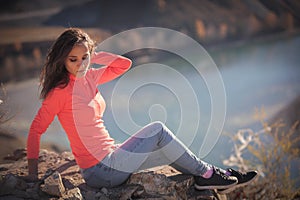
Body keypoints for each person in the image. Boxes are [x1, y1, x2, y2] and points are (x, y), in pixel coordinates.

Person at [26, 28, 257, 193]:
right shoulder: (60, 92)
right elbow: (35, 131)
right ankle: (209, 175)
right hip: (101, 171)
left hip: (111, 157)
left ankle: (210, 175)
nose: (81, 64)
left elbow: (124, 65)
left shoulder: (90, 77)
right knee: (157, 129)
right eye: (73, 59)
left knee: (172, 150)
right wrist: (33, 176)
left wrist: (93, 55)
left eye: (85, 58)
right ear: (62, 61)